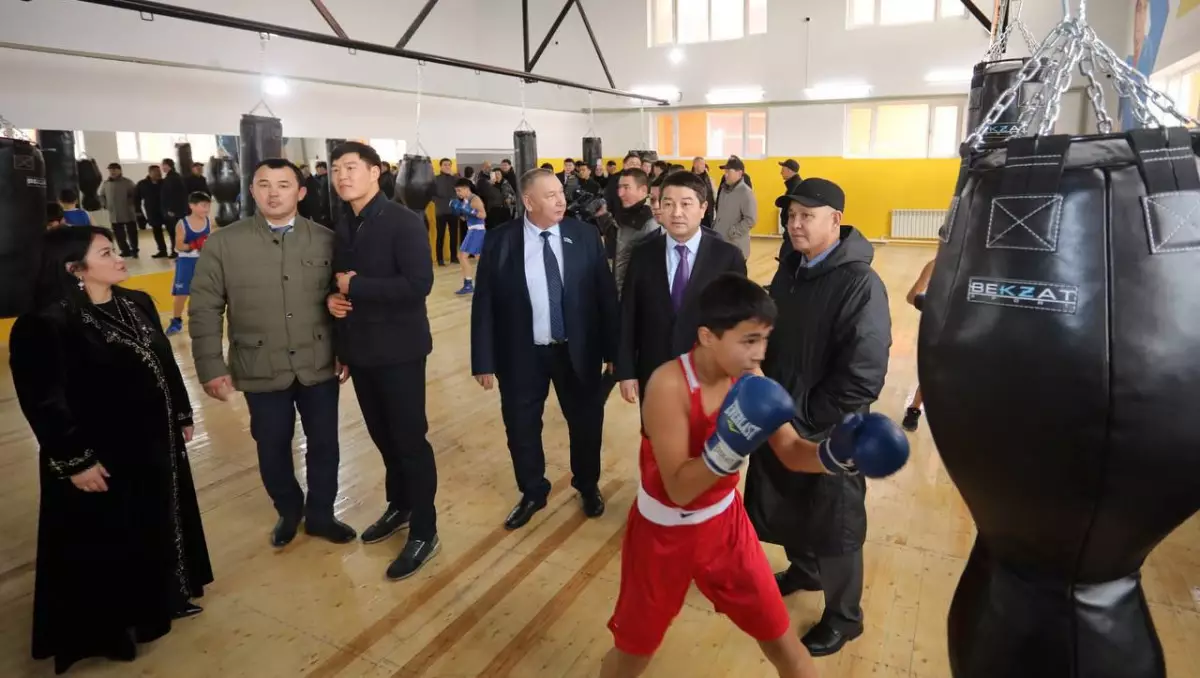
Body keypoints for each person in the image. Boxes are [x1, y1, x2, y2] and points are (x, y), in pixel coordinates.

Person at [601, 272, 906, 678]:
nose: (760, 353)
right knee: (631, 656)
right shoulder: (668, 386)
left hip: (727, 531)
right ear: (708, 337)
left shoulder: (750, 379)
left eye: (764, 339)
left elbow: (792, 452)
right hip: (662, 538)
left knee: (786, 645)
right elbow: (679, 488)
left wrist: (838, 455)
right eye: (749, 340)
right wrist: (729, 445)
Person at [10, 226, 212, 675]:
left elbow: (163, 361)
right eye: (106, 253)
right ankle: (116, 628)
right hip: (100, 456)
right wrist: (76, 461)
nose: (120, 258)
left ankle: (164, 600)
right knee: (109, 539)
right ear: (74, 269)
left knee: (157, 520)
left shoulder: (135, 303)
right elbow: (44, 402)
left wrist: (181, 412)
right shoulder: (46, 324)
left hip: (152, 445)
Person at [745, 178, 892, 658]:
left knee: (836, 522)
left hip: (830, 427)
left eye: (807, 215)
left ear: (836, 220)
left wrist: (808, 416)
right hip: (781, 415)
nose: (795, 224)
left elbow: (864, 374)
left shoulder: (860, 283)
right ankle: (805, 571)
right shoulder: (791, 269)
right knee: (789, 501)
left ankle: (845, 616)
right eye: (791, 215)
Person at [189, 158, 355, 549]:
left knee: (325, 444)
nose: (273, 193)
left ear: (300, 192)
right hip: (259, 365)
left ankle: (321, 514)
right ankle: (289, 510)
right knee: (272, 444)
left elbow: (343, 299)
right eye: (264, 185)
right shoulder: (225, 243)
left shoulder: (326, 239)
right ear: (252, 191)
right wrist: (210, 366)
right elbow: (204, 308)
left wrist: (346, 350)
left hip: (318, 361)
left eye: (283, 185)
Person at [470, 168, 619, 530]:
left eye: (560, 193)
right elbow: (484, 303)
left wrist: (615, 352)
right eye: (550, 195)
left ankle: (587, 484)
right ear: (528, 201)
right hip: (521, 353)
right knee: (521, 427)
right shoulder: (500, 240)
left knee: (586, 423)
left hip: (577, 351)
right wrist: (483, 360)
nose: (561, 200)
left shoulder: (584, 235)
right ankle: (533, 491)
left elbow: (605, 297)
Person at [326, 141, 440, 580]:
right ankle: (401, 505)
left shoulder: (403, 221)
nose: (342, 176)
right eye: (336, 169)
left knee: (410, 441)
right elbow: (337, 285)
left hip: (400, 352)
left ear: (376, 172)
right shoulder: (344, 224)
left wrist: (356, 287)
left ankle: (425, 530)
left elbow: (418, 284)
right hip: (362, 351)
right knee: (383, 437)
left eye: (351, 167)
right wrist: (334, 302)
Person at [616, 170, 747, 406]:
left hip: (710, 374)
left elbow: (739, 320)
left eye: (686, 204)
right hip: (655, 372)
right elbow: (628, 314)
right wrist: (626, 371)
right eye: (668, 204)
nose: (676, 213)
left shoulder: (727, 257)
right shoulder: (643, 254)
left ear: (703, 208)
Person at [606, 168, 661, 298]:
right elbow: (617, 250)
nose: (620, 193)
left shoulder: (650, 224)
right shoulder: (625, 216)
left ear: (643, 190)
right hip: (621, 292)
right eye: (619, 188)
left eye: (626, 187)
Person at [165, 192, 213, 336]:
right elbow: (179, 246)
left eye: (208, 206)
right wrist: (194, 244)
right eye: (203, 206)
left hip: (203, 260)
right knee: (182, 293)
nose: (206, 209)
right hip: (186, 261)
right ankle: (176, 321)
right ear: (192, 206)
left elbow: (209, 240)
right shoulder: (182, 224)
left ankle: (201, 319)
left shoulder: (208, 221)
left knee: (203, 292)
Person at [903, 258, 936, 431]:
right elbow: (912, 296)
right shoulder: (937, 264)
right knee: (932, 372)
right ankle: (914, 408)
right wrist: (936, 305)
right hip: (942, 327)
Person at [712, 156, 757, 260]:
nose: (725, 174)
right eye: (725, 171)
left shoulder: (746, 193)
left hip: (736, 246)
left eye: (729, 171)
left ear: (739, 173)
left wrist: (733, 232)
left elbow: (751, 220)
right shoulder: (724, 190)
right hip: (721, 244)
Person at [451, 178, 487, 295]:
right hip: (473, 229)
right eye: (456, 191)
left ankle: (468, 285)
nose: (458, 193)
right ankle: (488, 283)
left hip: (476, 230)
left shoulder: (475, 199)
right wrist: (459, 213)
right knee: (479, 258)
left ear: (466, 189)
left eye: (459, 190)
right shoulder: (465, 200)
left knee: (462, 256)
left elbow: (483, 215)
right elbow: (467, 218)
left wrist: (470, 211)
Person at [99, 163, 140, 257]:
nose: (112, 172)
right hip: (114, 213)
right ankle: (125, 250)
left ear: (120, 170)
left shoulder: (127, 182)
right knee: (119, 234)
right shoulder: (106, 183)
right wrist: (105, 204)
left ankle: (134, 250)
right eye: (110, 170)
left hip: (128, 212)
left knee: (132, 233)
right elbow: (101, 195)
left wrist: (130, 203)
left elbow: (135, 195)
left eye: (114, 170)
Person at [433, 158, 459, 265]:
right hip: (441, 211)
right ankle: (440, 259)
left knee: (454, 235)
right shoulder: (435, 179)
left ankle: (454, 257)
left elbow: (461, 191)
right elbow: (431, 194)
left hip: (453, 211)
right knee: (440, 235)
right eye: (445, 164)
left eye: (449, 164)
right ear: (440, 166)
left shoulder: (455, 179)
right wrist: (438, 202)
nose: (447, 166)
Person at [160, 159, 188, 258]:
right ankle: (176, 250)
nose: (162, 168)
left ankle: (177, 250)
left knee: (174, 232)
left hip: (174, 212)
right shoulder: (172, 177)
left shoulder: (173, 178)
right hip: (176, 211)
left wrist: (171, 209)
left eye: (163, 165)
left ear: (168, 165)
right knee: (175, 231)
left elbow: (174, 195)